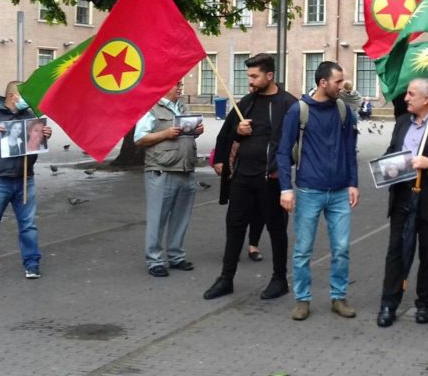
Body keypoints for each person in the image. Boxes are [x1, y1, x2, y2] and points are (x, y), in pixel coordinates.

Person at [203, 53, 298, 301]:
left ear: (270, 75)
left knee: (276, 230)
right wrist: (237, 132)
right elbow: (226, 135)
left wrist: (286, 170)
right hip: (243, 178)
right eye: (249, 76)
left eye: (255, 76)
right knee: (234, 226)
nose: (251, 81)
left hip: (272, 179)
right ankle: (226, 278)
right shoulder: (246, 102)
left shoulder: (288, 104)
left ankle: (279, 279)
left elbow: (299, 142)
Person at [277, 61, 359, 321]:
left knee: (342, 247)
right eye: (338, 81)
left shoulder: (343, 110)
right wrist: (285, 189)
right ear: (323, 83)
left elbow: (350, 150)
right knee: (303, 249)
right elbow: (282, 151)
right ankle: (302, 299)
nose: (342, 85)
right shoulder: (298, 111)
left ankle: (339, 297)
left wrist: (353, 182)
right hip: (309, 190)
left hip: (339, 192)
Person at [377, 78, 428, 327]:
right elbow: (393, 150)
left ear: (426, 99)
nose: (406, 98)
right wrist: (384, 167)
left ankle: (425, 304)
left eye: (411, 94)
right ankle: (389, 304)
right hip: (403, 197)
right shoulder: (403, 122)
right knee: (396, 254)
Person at [0, 81, 51, 281]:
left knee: (28, 225)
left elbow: (34, 148)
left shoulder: (30, 116)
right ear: (13, 97)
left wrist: (45, 136)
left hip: (24, 179)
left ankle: (32, 264)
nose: (27, 100)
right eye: (24, 96)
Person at [134, 81, 203, 278]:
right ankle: (155, 260)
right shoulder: (151, 108)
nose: (180, 88)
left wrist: (196, 132)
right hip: (162, 170)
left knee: (182, 217)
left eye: (181, 84)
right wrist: (165, 133)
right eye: (176, 85)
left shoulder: (183, 106)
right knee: (158, 218)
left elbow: (186, 135)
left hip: (185, 168)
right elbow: (139, 139)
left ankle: (176, 255)